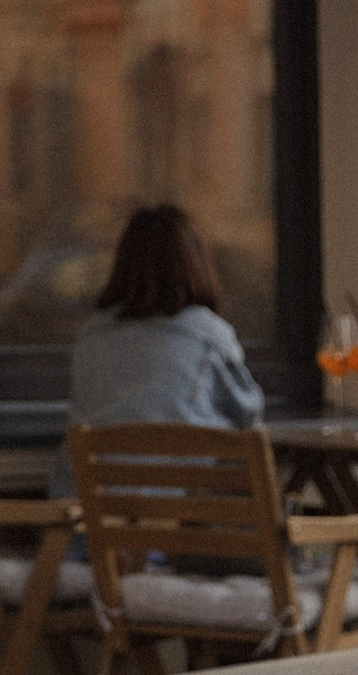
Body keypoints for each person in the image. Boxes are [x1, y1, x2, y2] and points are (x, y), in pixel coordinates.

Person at [49, 202, 265, 495]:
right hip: (175, 523)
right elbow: (250, 420)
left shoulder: (91, 336)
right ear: (196, 262)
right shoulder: (207, 335)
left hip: (89, 526)